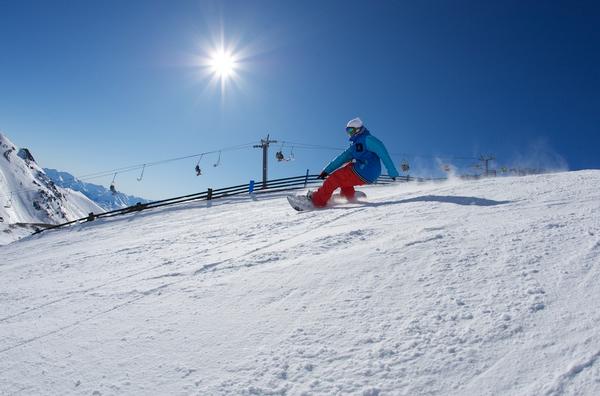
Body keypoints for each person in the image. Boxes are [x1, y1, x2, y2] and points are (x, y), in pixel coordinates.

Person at [309, 117, 399, 207]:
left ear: (358, 129)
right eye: (348, 131)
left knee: (335, 178)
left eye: (351, 130)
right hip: (364, 171)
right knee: (345, 171)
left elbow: (383, 152)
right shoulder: (354, 146)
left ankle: (317, 201)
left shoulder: (368, 139)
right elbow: (341, 158)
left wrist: (392, 171)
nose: (350, 134)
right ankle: (348, 195)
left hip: (366, 170)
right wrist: (326, 171)